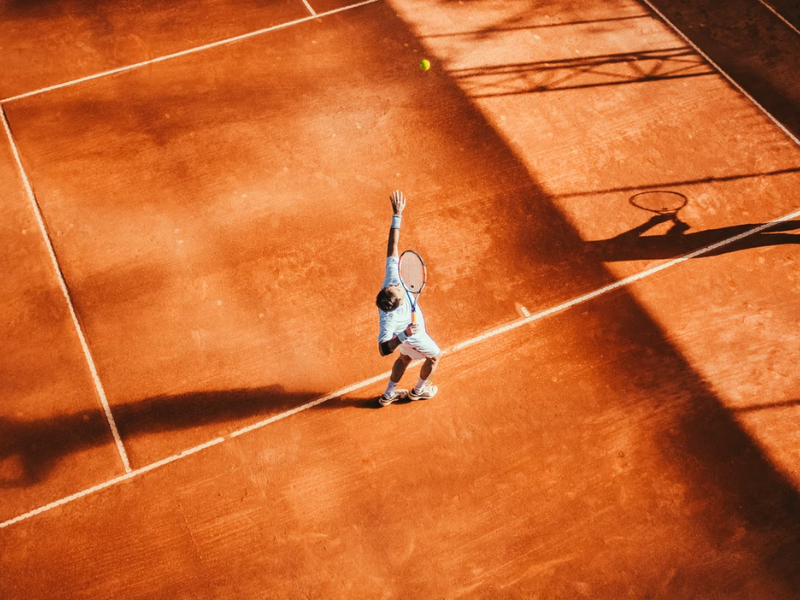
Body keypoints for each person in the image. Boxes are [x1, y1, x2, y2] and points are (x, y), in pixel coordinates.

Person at [375, 191, 442, 407]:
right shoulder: (389, 320)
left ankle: (388, 395)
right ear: (398, 303)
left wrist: (397, 215)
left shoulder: (390, 281)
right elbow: (384, 349)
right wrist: (405, 335)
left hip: (405, 338)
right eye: (398, 289)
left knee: (404, 358)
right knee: (434, 356)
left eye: (394, 286)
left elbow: (392, 248)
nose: (398, 284)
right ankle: (418, 391)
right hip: (413, 337)